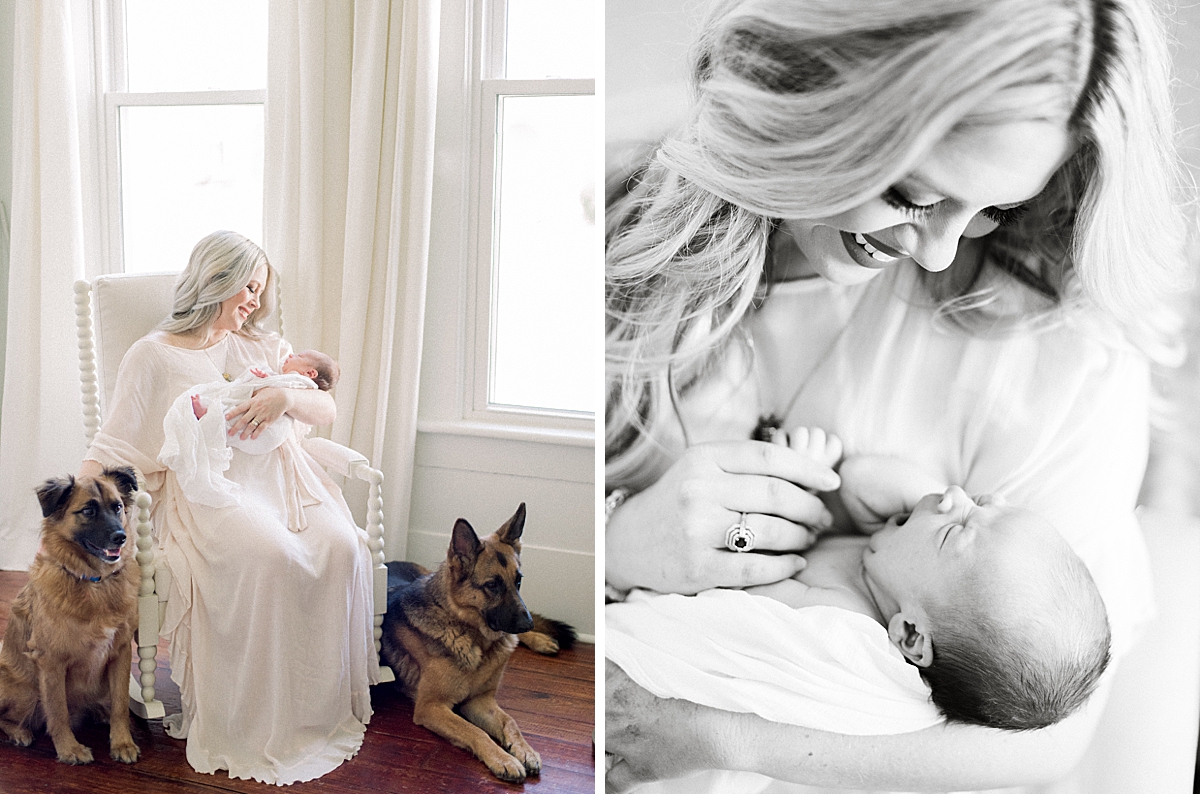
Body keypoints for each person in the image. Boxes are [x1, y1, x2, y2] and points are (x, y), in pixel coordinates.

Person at [605, 0, 1189, 790]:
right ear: (823, 99)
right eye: (914, 194)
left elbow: (1046, 729)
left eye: (996, 209)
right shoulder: (621, 204)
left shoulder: (1061, 359)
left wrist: (713, 739)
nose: (942, 246)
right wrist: (625, 539)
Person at [608, 428, 1111, 776]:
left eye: (955, 530)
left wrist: (794, 481)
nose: (953, 494)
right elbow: (865, 478)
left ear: (910, 636)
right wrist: (929, 517)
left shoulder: (842, 631)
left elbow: (723, 592)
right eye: (982, 502)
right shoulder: (897, 572)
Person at [80, 230, 378, 785]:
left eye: (260, 292)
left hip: (288, 476)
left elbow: (325, 403)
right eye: (248, 288)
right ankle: (251, 717)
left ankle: (311, 707)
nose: (254, 302)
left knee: (339, 548)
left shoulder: (265, 347)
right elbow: (115, 445)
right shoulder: (152, 354)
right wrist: (73, 511)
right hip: (210, 491)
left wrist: (286, 397)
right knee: (268, 557)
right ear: (215, 280)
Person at [159, 349, 341, 510]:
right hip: (260, 445)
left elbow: (321, 406)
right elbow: (272, 383)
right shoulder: (290, 378)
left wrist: (279, 392)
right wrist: (264, 378)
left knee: (237, 419)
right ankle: (212, 421)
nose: (291, 355)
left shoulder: (300, 382)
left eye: (299, 356)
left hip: (273, 431)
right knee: (238, 420)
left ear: (310, 372)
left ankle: (210, 418)